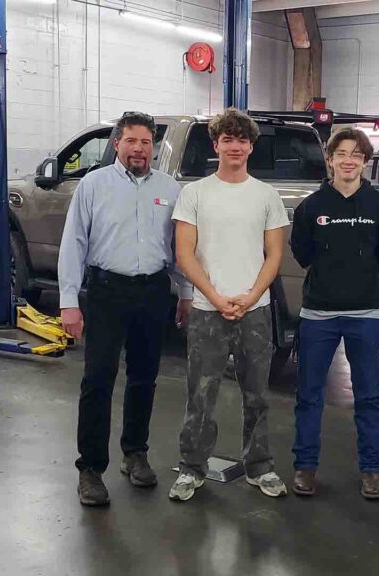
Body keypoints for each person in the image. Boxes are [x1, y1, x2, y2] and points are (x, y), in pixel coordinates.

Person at [58, 112, 194, 507]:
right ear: (116, 143)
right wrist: (69, 303)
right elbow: (74, 245)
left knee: (144, 378)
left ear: (154, 146)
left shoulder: (170, 188)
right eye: (131, 141)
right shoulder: (93, 185)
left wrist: (184, 291)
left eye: (146, 142)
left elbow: (176, 249)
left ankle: (135, 453)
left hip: (152, 291)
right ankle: (91, 469)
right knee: (98, 379)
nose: (139, 149)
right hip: (106, 291)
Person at [169, 108, 290, 502]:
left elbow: (274, 256)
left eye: (242, 140)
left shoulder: (266, 195)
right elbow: (184, 254)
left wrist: (251, 297)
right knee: (200, 394)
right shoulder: (195, 194)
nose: (234, 146)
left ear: (251, 147)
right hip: (208, 310)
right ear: (216, 144)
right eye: (227, 139)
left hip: (254, 312)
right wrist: (216, 297)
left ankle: (260, 467)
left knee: (257, 393)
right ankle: (192, 468)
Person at [288, 128, 379, 499]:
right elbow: (301, 251)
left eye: (356, 154)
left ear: (365, 162)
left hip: (365, 314)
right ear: (331, 159)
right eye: (341, 153)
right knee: (309, 395)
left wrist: (359, 273)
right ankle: (305, 467)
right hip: (318, 314)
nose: (348, 160)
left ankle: (372, 469)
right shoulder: (311, 207)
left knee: (368, 395)